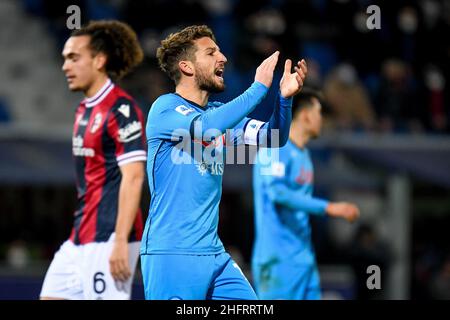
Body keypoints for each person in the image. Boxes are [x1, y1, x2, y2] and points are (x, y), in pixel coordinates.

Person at [140, 25, 308, 300]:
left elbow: (273, 137)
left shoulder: (219, 114)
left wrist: (284, 99)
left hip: (215, 255)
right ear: (187, 67)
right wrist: (258, 89)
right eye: (211, 52)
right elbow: (205, 129)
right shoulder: (165, 109)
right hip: (172, 253)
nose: (223, 58)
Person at [40, 20, 146, 300]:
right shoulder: (83, 110)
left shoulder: (122, 109)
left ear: (99, 60)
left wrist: (121, 241)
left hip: (110, 238)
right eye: (64, 58)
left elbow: (134, 177)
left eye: (74, 58)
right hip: (79, 238)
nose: (65, 66)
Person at [252, 88, 360, 300]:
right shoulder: (273, 147)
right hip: (277, 261)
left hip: (303, 258)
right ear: (305, 116)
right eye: (320, 113)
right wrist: (328, 207)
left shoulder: (304, 154)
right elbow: (277, 193)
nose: (323, 120)